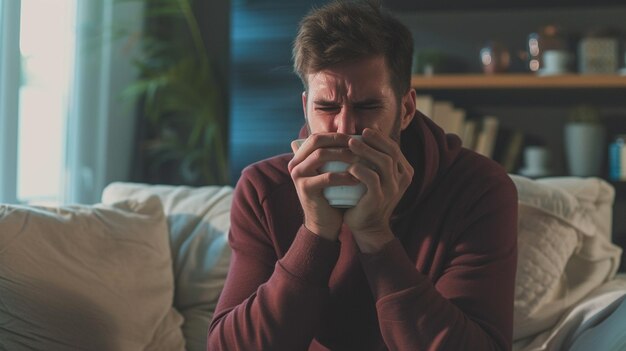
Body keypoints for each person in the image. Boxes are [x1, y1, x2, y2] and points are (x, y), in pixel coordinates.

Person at [208, 1, 517, 350]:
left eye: (368, 107)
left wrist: (376, 238)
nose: (346, 128)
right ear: (305, 107)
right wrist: (315, 234)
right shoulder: (263, 189)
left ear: (406, 109)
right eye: (326, 108)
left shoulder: (477, 189)